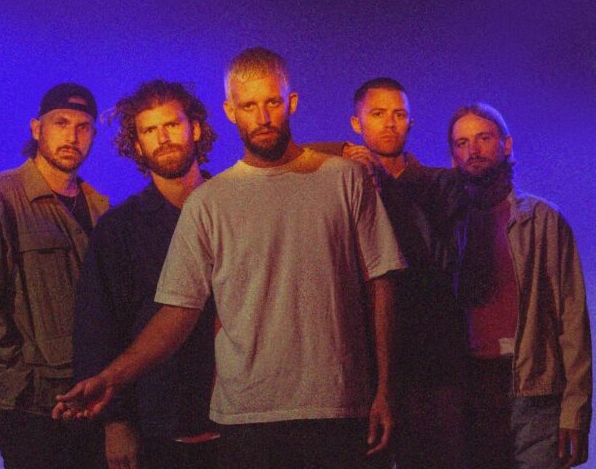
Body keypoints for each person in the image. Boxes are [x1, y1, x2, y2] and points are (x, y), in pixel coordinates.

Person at [53, 47, 406, 468]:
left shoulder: (344, 177)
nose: (263, 116)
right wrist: (111, 381)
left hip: (338, 406)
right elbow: (174, 315)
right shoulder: (207, 203)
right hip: (242, 418)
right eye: (249, 105)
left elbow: (381, 283)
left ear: (291, 102)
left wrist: (386, 388)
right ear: (231, 111)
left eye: (272, 102)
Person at [0, 83, 109, 468]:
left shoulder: (100, 207)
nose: (72, 136)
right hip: (32, 411)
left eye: (83, 127)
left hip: (91, 401)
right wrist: (20, 385)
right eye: (61, 123)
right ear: (37, 129)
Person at [73, 80, 219, 469]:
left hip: (241, 416)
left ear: (195, 128)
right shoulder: (119, 229)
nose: (163, 138)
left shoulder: (235, 206)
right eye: (149, 130)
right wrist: (116, 422)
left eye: (171, 124)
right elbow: (98, 329)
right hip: (159, 422)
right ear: (137, 145)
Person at [449, 102, 591, 468]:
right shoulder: (448, 223)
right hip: (470, 389)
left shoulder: (543, 221)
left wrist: (576, 410)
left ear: (506, 144)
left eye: (483, 138)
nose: (473, 150)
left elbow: (572, 318)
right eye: (462, 142)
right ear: (452, 156)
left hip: (534, 388)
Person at [344, 77, 466, 468]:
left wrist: (383, 182)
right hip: (364, 362)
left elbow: (442, 262)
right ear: (357, 123)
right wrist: (343, 156)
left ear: (411, 122)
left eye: (399, 114)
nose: (389, 123)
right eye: (378, 114)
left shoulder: (442, 184)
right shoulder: (348, 186)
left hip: (431, 361)